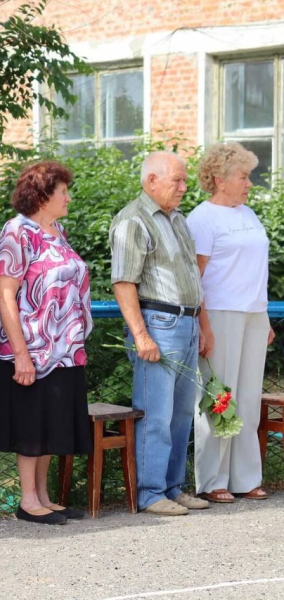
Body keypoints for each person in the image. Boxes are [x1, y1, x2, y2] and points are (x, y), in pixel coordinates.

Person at [0, 161, 92, 525]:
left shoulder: (57, 231)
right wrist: (21, 356)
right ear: (44, 195)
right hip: (30, 347)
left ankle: (44, 496)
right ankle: (28, 500)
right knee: (31, 426)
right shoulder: (17, 232)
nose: (69, 197)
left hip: (63, 349)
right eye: (63, 191)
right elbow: (5, 294)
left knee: (49, 425)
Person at [109, 151, 210, 516]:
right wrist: (141, 335)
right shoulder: (132, 221)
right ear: (152, 181)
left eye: (184, 180)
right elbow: (123, 283)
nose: (185, 187)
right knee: (156, 413)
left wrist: (200, 324)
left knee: (181, 414)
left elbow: (193, 277)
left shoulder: (177, 218)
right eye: (177, 181)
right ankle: (151, 494)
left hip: (186, 323)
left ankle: (171, 487)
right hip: (158, 325)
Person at [188, 142, 274, 503]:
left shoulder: (248, 214)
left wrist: (265, 317)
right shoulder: (202, 218)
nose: (249, 183)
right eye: (243, 176)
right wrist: (204, 326)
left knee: (249, 399)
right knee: (219, 397)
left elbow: (257, 273)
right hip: (219, 314)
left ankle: (245, 477)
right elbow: (196, 278)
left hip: (253, 314)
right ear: (221, 179)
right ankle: (212, 480)